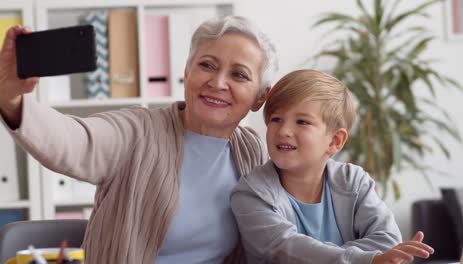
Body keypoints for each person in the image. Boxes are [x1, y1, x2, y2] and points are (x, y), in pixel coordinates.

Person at [0, 16, 278, 263]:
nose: (218, 82)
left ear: (260, 98)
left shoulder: (253, 151)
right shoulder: (138, 131)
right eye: (207, 65)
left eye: (238, 74)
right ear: (187, 72)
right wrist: (10, 99)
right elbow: (75, 141)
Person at [230, 69, 434, 264]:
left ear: (335, 141)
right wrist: (367, 259)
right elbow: (286, 250)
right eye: (276, 119)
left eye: (302, 122)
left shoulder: (354, 181)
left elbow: (388, 241)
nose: (284, 130)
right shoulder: (251, 194)